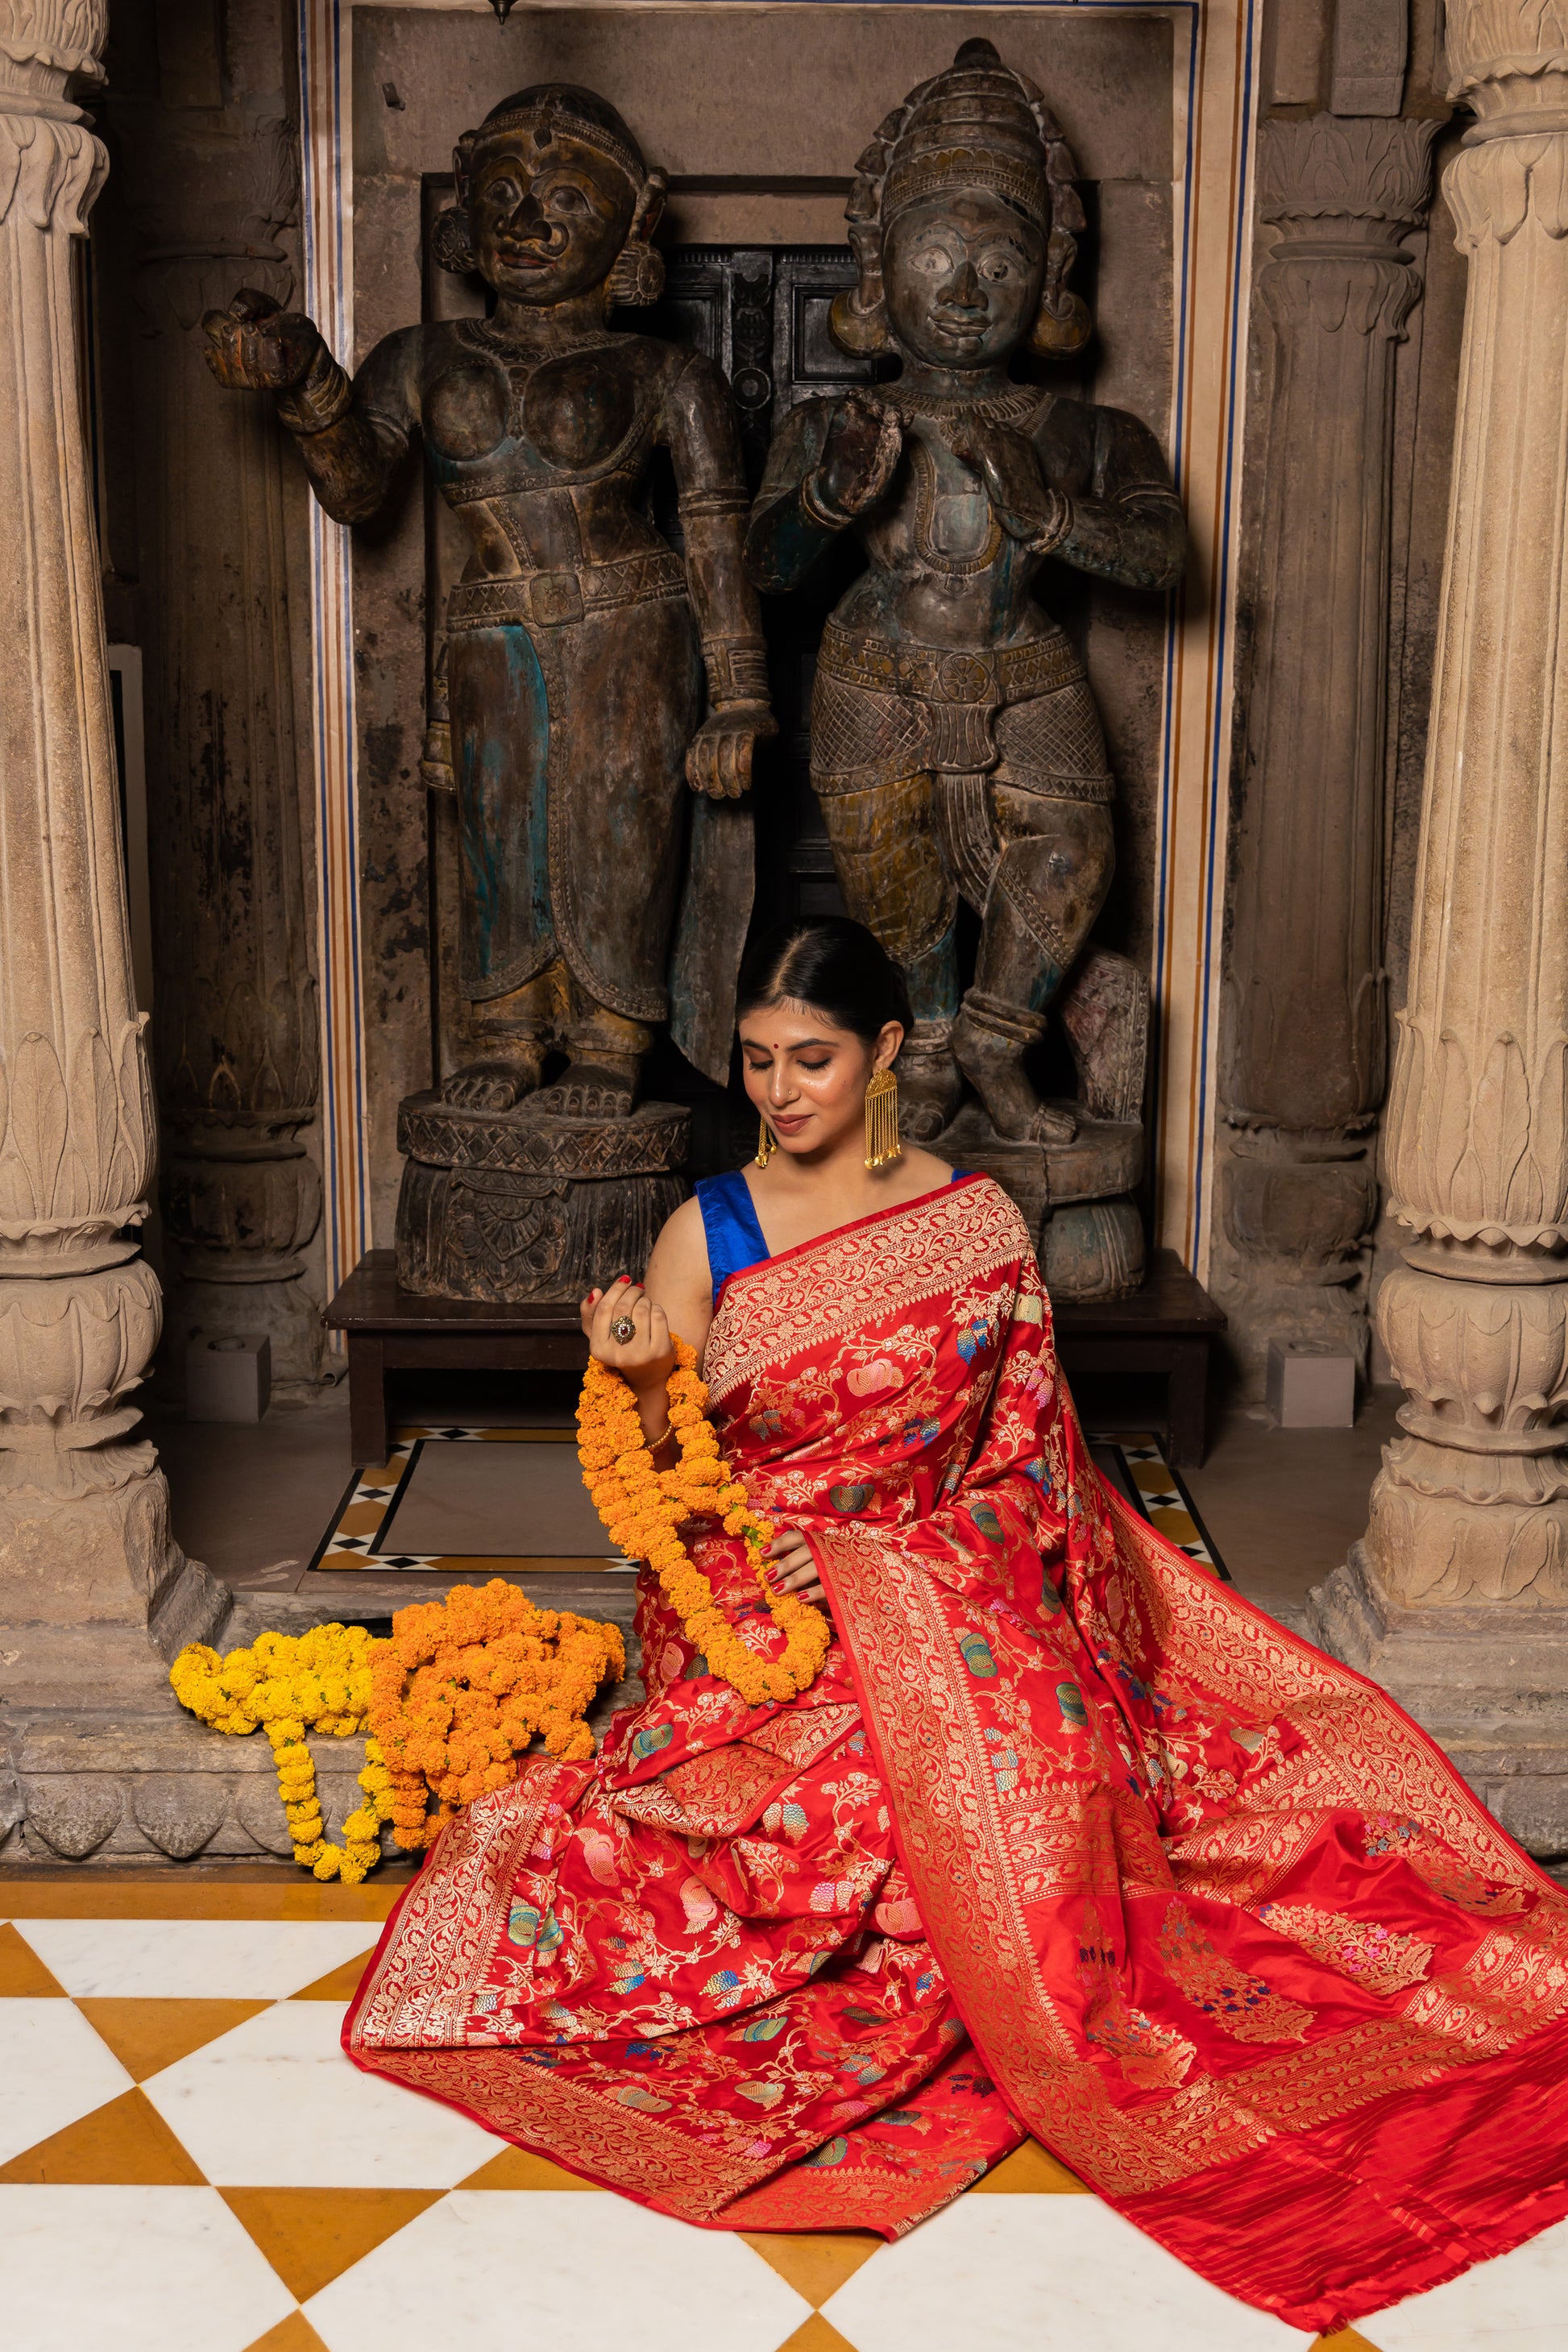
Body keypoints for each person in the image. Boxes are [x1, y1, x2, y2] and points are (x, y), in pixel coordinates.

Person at [346, 919, 1568, 2334]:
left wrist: (894, 1566)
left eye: (812, 1059)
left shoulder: (975, 1222)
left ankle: (1044, 1955)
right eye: (755, 1062)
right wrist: (629, 1377)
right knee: (829, 1805)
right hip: (761, 1591)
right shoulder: (708, 1230)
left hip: (952, 1575)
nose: (780, 1091)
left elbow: (1027, 1469)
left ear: (888, 1055)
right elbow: (674, 1475)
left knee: (1032, 1743)